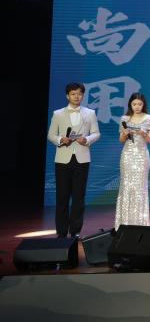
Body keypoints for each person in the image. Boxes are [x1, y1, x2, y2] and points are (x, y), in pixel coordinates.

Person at [47, 82, 100, 238]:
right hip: (63, 159)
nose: (77, 97)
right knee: (62, 196)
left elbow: (96, 133)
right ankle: (61, 231)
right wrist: (60, 139)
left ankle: (75, 230)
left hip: (82, 159)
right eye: (73, 94)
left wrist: (87, 139)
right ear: (67, 96)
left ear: (83, 95)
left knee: (79, 197)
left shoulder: (90, 113)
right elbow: (51, 135)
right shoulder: (58, 114)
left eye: (79, 94)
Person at [115, 92, 150, 229]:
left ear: (143, 105)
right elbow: (121, 140)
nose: (137, 107)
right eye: (134, 104)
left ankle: (140, 223)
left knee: (140, 188)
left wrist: (144, 133)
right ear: (130, 105)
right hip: (127, 155)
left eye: (139, 104)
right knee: (126, 186)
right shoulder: (124, 118)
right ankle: (124, 224)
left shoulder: (149, 118)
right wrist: (125, 134)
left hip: (142, 156)